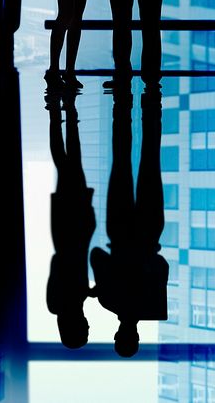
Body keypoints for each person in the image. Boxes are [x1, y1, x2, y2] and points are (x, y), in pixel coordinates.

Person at [89, 90, 168, 357]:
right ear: (116, 335)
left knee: (149, 160)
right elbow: (97, 255)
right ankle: (122, 103)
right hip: (120, 232)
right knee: (121, 161)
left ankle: (151, 101)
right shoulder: (108, 299)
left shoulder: (153, 306)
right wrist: (102, 283)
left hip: (148, 232)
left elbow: (162, 265)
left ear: (137, 336)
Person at [45, 95, 96, 350]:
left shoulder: (66, 302)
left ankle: (62, 110)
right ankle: (60, 113)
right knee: (68, 165)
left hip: (72, 231)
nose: (88, 325)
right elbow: (56, 265)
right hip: (66, 231)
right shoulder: (60, 304)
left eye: (84, 329)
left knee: (69, 165)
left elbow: (61, 263)